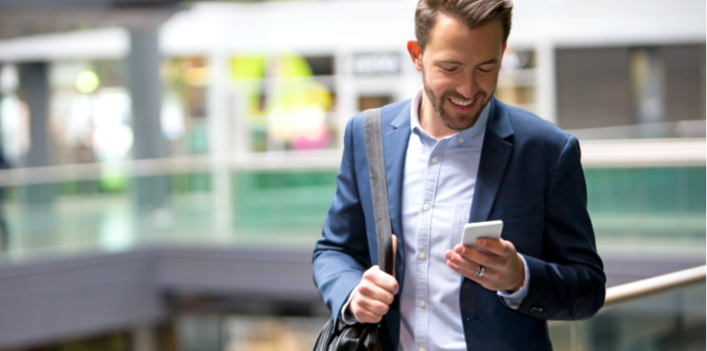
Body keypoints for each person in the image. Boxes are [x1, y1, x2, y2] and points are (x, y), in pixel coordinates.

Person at [312, 0, 606, 350]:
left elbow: (588, 288)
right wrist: (352, 294)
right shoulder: (366, 135)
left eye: (486, 67)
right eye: (450, 68)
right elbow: (333, 249)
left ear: (503, 53)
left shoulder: (547, 151)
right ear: (417, 54)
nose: (468, 89)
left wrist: (520, 277)